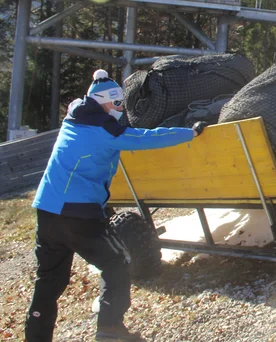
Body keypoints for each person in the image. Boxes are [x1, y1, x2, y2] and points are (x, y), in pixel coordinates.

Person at [25, 69, 210, 342]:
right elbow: (147, 138)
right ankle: (110, 331)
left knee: (49, 279)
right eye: (118, 103)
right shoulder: (105, 130)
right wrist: (189, 133)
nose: (122, 109)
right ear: (103, 102)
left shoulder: (74, 121)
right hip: (78, 213)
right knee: (118, 263)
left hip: (47, 210)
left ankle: (35, 337)